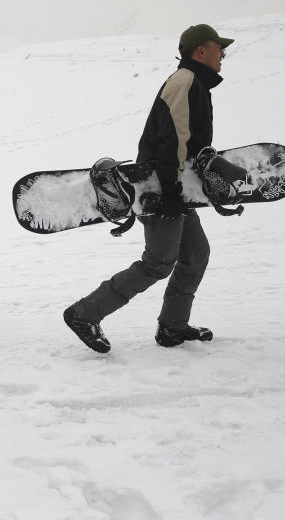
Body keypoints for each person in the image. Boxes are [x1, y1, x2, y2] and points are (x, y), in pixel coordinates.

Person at [63, 24, 243, 354]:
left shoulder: (195, 84)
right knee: (159, 262)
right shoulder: (184, 81)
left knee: (195, 254)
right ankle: (83, 314)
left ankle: (173, 327)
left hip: (175, 187)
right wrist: (171, 191)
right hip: (161, 188)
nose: (223, 54)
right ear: (200, 51)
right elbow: (173, 137)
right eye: (220, 48)